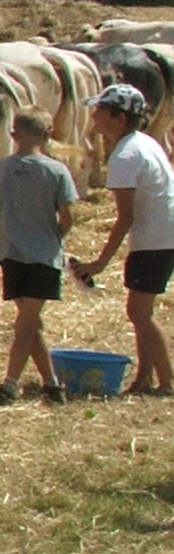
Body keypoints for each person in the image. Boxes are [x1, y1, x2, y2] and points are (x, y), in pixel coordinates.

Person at [72, 83, 174, 396]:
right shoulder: (144, 143)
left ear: (119, 118)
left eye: (100, 110)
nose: (94, 116)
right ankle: (143, 378)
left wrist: (99, 263)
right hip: (161, 235)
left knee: (139, 313)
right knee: (140, 311)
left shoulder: (125, 156)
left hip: (154, 239)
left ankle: (167, 382)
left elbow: (125, 217)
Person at [0, 109, 78, 404]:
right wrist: (54, 236)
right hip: (43, 257)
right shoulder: (57, 171)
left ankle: (47, 383)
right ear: (49, 134)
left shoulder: (0, 169)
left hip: (10, 254)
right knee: (28, 324)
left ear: (13, 134)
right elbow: (68, 216)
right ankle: (16, 383)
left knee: (27, 323)